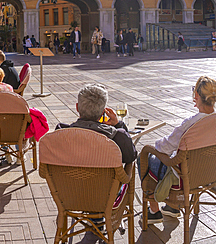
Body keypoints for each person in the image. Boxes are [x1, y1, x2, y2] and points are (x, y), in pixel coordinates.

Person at [141, 76, 215, 224]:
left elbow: (163, 147)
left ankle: (154, 211)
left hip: (186, 176)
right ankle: (171, 207)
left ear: (197, 96)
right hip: (210, 173)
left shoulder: (191, 124)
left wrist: (156, 144)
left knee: (145, 157)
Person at [55, 84, 136, 165]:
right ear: (103, 112)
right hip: (105, 177)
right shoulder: (116, 136)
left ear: (77, 107)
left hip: (68, 177)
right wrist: (118, 124)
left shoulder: (61, 133)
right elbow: (131, 156)